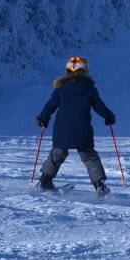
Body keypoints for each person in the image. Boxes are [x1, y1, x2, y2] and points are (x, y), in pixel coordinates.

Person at [36, 55, 116, 195]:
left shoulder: (61, 89)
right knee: (89, 156)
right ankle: (99, 186)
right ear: (85, 71)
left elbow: (50, 106)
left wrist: (43, 118)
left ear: (68, 71)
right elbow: (100, 107)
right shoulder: (90, 90)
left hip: (62, 130)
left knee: (57, 154)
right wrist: (109, 117)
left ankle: (45, 180)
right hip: (82, 130)